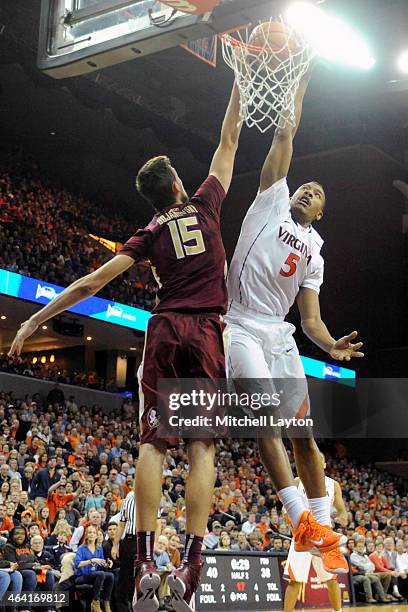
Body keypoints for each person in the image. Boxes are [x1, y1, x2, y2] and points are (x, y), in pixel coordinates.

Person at [8, 79, 243, 612]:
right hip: (207, 329)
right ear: (180, 183)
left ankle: (141, 564)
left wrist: (33, 322)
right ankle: (191, 561)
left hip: (163, 329)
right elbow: (228, 140)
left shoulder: (149, 232)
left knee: (152, 444)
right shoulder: (206, 204)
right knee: (202, 446)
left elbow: (91, 284)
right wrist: (239, 80)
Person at [225, 68, 363, 574]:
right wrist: (301, 76)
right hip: (240, 324)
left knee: (303, 435)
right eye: (304, 186)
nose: (307, 191)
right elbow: (286, 131)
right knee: (264, 418)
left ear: (322, 212)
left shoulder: (317, 252)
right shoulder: (271, 203)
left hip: (281, 335)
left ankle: (320, 531)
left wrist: (330, 346)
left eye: (316, 193)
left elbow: (311, 319)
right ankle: (300, 518)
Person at [283, 453, 348, 612]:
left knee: (331, 579)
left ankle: (338, 611)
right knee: (295, 580)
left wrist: (342, 517)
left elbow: (342, 510)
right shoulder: (297, 481)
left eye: (319, 460)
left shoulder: (333, 485)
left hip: (325, 536)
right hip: (303, 535)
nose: (314, 462)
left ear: (325, 464)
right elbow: (286, 510)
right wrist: (291, 520)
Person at [73, 525, 114, 612]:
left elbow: (101, 564)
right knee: (101, 574)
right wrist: (92, 560)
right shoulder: (81, 548)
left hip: (96, 575)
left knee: (110, 575)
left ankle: (107, 603)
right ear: (86, 535)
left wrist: (107, 564)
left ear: (96, 536)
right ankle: (95, 602)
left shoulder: (99, 549)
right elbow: (77, 564)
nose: (92, 534)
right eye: (89, 532)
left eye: (94, 533)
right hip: (82, 576)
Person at [111, 491, 136, 612]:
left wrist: (154, 543)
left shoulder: (151, 501)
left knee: (142, 577)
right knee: (124, 578)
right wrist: (115, 545)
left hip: (144, 540)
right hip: (129, 540)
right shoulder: (127, 503)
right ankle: (122, 608)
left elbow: (157, 524)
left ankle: (138, 606)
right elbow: (121, 525)